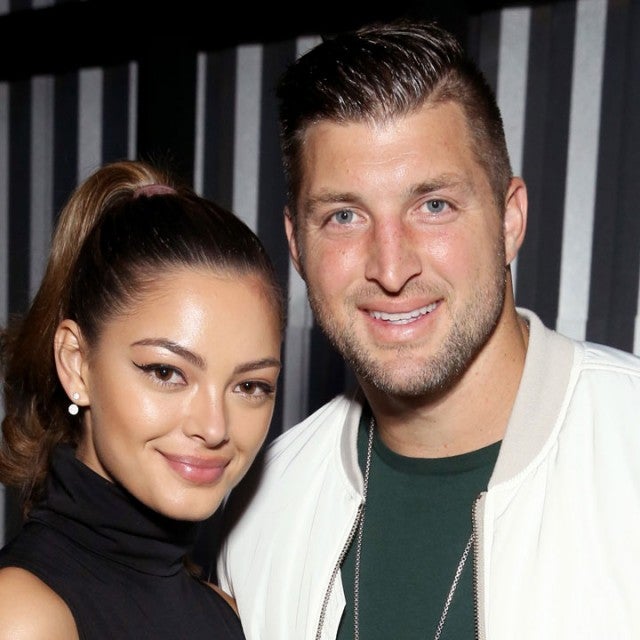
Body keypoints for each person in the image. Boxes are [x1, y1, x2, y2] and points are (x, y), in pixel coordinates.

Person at [216, 18, 640, 640]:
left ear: (509, 221)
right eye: (343, 216)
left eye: (433, 206)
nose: (391, 269)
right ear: (297, 246)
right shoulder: (263, 505)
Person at [0, 159, 284, 639]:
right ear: (76, 364)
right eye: (167, 373)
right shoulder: (23, 614)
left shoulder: (225, 614)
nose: (214, 427)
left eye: (249, 386)